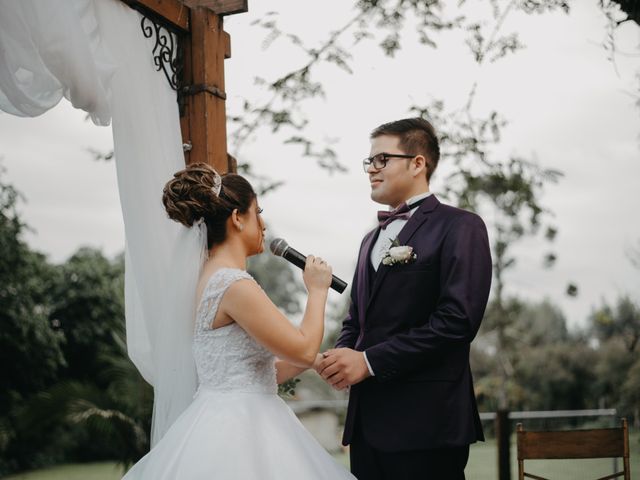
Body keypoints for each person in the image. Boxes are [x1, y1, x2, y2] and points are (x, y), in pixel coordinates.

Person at [123, 163, 355, 479]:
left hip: (214, 420)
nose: (262, 225)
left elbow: (249, 370)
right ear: (237, 218)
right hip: (242, 430)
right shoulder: (233, 285)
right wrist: (317, 290)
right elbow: (300, 347)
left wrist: (312, 362)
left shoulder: (207, 279)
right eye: (257, 212)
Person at [317, 118, 492, 480]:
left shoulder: (461, 226)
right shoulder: (369, 239)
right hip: (367, 425)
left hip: (427, 424)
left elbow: (457, 322)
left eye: (382, 159)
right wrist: (341, 357)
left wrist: (368, 361)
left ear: (417, 163)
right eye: (369, 161)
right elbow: (357, 320)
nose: (371, 170)